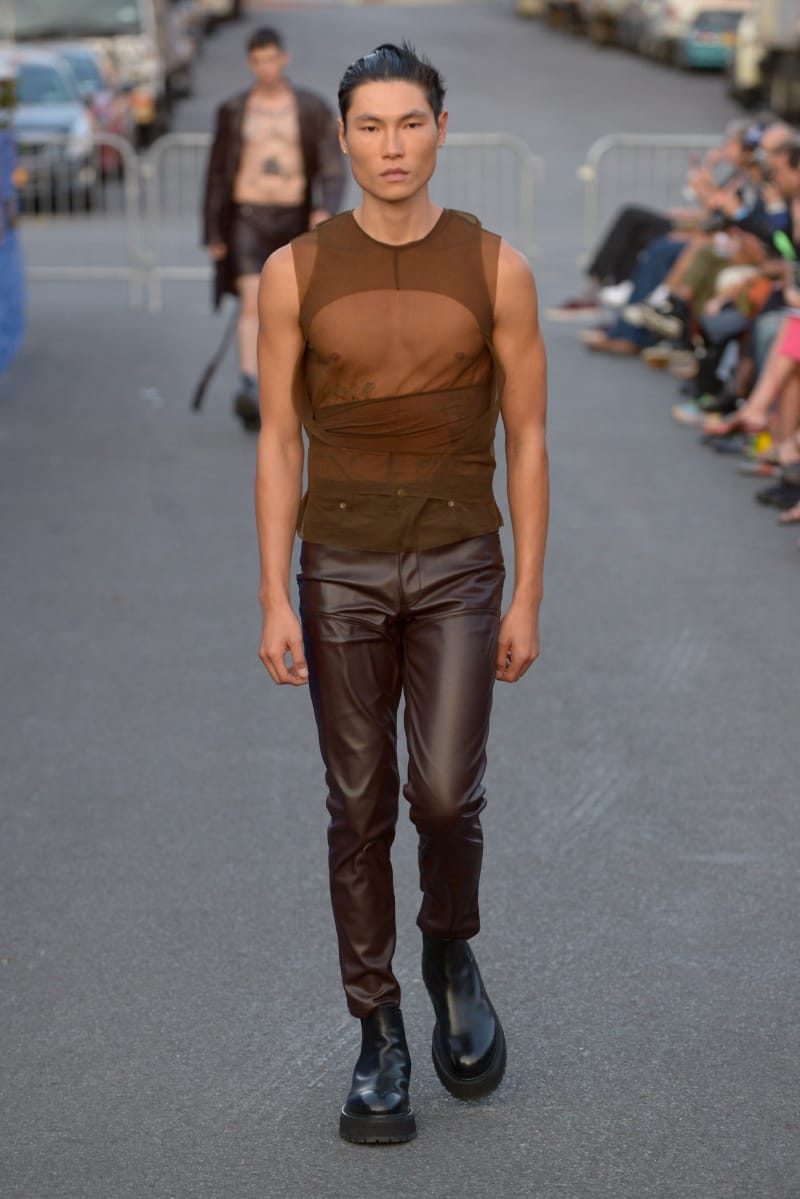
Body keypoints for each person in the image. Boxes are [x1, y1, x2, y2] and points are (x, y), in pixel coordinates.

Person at [253, 43, 549, 1144]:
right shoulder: (294, 271)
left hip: (461, 558)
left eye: (410, 123)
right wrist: (273, 595)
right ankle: (376, 1029)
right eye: (371, 126)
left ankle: (447, 947)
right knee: (358, 803)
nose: (392, 145)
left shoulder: (495, 267)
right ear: (342, 138)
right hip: (337, 563)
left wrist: (527, 593)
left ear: (440, 129)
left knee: (444, 797)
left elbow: (528, 438)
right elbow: (277, 439)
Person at [202, 26, 345, 430]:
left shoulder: (310, 108)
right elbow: (216, 173)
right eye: (258, 61)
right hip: (247, 217)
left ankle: (286, 385)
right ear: (250, 63)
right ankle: (250, 385)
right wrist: (213, 230)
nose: (266, 68)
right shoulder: (234, 109)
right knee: (252, 302)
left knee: (292, 307)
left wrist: (325, 208)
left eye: (271, 59)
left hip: (293, 215)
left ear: (284, 58)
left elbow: (331, 165)